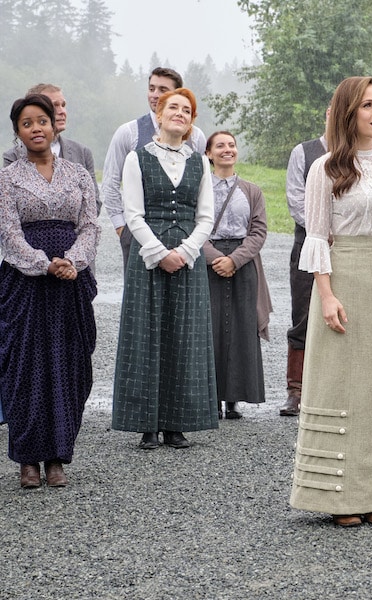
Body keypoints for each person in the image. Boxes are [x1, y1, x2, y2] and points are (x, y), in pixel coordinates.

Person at [289, 76, 372, 527]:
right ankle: (339, 497)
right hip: (342, 280)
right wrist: (325, 296)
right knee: (342, 384)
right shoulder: (324, 168)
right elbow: (317, 236)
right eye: (368, 106)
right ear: (349, 113)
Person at [0, 94, 100, 487]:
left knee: (67, 364)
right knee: (24, 367)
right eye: (27, 123)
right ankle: (28, 459)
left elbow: (90, 225)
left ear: (55, 124)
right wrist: (44, 263)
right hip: (24, 282)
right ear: (18, 133)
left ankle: (58, 456)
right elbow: (7, 232)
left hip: (70, 282)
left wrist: (71, 262)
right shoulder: (7, 177)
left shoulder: (77, 173)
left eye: (42, 120)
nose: (36, 128)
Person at [111, 88, 218, 450]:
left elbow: (205, 216)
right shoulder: (136, 158)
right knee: (148, 335)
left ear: (191, 121)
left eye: (186, 110)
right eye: (173, 107)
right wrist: (159, 252)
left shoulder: (199, 161)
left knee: (184, 337)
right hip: (149, 258)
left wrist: (186, 251)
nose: (179, 113)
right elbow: (133, 214)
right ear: (158, 114)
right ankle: (147, 425)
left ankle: (177, 424)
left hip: (188, 258)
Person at [101, 67, 207, 266]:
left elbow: (200, 187)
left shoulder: (196, 137)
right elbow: (111, 181)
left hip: (184, 237)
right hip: (137, 233)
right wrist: (120, 226)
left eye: (162, 90)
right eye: (151, 88)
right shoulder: (128, 132)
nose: (155, 95)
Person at [203, 131, 272, 420]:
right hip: (209, 263)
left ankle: (234, 398)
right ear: (208, 153)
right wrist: (215, 257)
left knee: (242, 329)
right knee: (211, 328)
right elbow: (194, 228)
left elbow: (258, 231)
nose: (227, 150)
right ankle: (211, 396)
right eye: (220, 146)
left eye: (231, 145)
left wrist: (235, 259)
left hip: (244, 264)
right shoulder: (200, 189)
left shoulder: (251, 190)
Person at [280, 111, 328, 417]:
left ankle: (331, 388)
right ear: (328, 115)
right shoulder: (304, 152)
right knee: (304, 315)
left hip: (347, 248)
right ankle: (295, 391)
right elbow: (296, 200)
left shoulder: (359, 150)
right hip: (308, 245)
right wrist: (322, 232)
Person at [3, 84, 99, 210]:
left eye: (63, 105)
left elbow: (94, 203)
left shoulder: (82, 153)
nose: (62, 111)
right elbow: (7, 209)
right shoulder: (13, 157)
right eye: (54, 106)